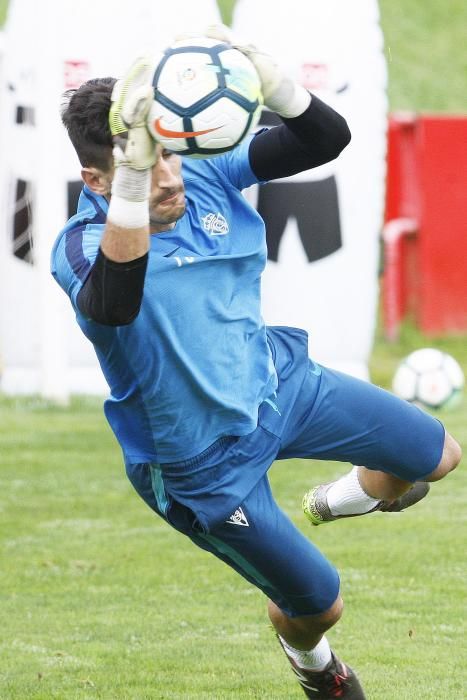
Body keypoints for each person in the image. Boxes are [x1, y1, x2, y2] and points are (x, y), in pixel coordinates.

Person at [51, 27, 461, 700]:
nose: (168, 178)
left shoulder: (203, 167)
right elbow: (114, 303)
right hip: (199, 464)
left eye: (166, 157)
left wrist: (273, 81)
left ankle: (338, 497)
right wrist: (134, 189)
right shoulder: (84, 242)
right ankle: (314, 666)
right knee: (319, 604)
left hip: (279, 384)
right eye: (144, 166)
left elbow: (322, 141)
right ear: (98, 178)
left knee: (438, 456)